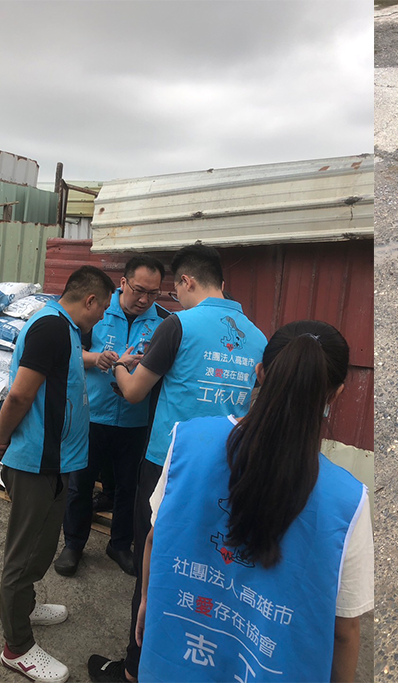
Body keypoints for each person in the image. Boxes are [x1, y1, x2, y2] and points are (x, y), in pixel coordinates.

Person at [135, 321, 374, 682]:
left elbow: (157, 538)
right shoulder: (348, 500)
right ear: (335, 394)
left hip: (179, 656)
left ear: (259, 373)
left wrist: (147, 604)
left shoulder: (188, 440)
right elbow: (343, 629)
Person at [87, 244, 266, 683]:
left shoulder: (178, 327)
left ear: (186, 281)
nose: (174, 299)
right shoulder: (259, 338)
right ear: (222, 283)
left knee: (156, 566)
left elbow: (133, 393)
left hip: (171, 463)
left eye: (175, 289)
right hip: (229, 467)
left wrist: (117, 367)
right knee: (204, 569)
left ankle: (134, 668)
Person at [0, 266, 115, 683]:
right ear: (89, 300)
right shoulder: (52, 328)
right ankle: (16, 647)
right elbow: (20, 393)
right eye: (102, 309)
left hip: (56, 461)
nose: (101, 318)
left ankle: (28, 606)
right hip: (36, 461)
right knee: (22, 556)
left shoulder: (66, 329)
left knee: (41, 546)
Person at [55, 255, 169, 577]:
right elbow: (69, 349)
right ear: (123, 284)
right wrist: (95, 358)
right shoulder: (98, 313)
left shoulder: (164, 323)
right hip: (92, 416)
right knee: (81, 483)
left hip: (135, 422)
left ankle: (120, 544)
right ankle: (73, 544)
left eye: (153, 293)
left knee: (128, 489)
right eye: (138, 290)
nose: (144, 299)